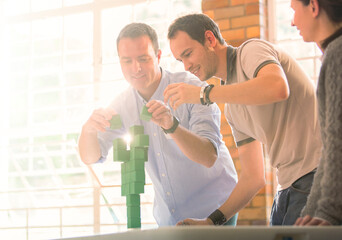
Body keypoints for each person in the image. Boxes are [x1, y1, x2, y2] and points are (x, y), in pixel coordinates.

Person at [165, 13, 322, 226]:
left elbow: (277, 87)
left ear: (210, 39)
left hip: (314, 178)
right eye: (180, 60)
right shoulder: (233, 107)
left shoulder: (251, 50)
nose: (186, 66)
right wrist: (212, 222)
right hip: (285, 191)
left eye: (188, 54)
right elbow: (253, 177)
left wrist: (204, 94)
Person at [78, 22, 238, 226]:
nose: (135, 68)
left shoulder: (192, 88)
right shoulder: (122, 104)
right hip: (170, 219)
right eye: (127, 61)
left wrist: (171, 126)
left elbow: (208, 156)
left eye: (143, 59)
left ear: (158, 56)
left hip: (215, 211)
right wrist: (88, 131)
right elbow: (92, 156)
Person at [290, 0, 342, 226]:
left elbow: (337, 141)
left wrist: (327, 213)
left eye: (294, 10)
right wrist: (310, 212)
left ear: (313, 6)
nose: (292, 22)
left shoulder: (338, 53)